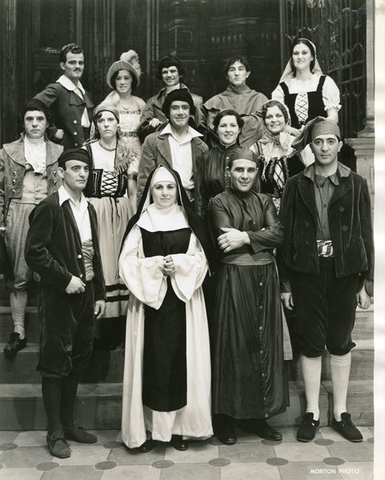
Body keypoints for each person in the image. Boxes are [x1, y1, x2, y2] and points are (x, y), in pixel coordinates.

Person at [279, 117, 374, 443]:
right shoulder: (296, 184)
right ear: (311, 145)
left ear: (339, 144)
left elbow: (366, 233)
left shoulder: (356, 183)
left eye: (330, 141)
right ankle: (312, 413)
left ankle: (340, 413)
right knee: (311, 341)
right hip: (307, 272)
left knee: (340, 341)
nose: (324, 148)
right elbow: (285, 235)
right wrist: (286, 284)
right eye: (318, 142)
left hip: (344, 273)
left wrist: (367, 282)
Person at [119, 164, 212, 452]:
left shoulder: (189, 220)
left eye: (170, 187)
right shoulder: (140, 223)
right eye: (158, 187)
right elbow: (126, 263)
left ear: (178, 190)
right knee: (152, 365)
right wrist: (156, 266)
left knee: (184, 365)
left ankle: (181, 429)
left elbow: (202, 259)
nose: (164, 192)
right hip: (149, 304)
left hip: (185, 302)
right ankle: (149, 429)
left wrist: (181, 265)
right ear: (150, 190)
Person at [25, 148, 105, 459]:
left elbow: (93, 252)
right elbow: (34, 253)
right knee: (55, 362)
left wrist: (98, 293)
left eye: (85, 168)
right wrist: (64, 279)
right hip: (59, 295)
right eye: (75, 168)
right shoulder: (50, 207)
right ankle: (55, 432)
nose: (82, 174)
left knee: (78, 358)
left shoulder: (90, 208)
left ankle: (70, 424)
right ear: (60, 172)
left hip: (85, 293)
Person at [207, 148, 291, 446]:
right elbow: (223, 241)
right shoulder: (217, 202)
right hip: (234, 279)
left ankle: (259, 416)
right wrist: (259, 237)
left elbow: (279, 234)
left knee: (263, 345)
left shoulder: (265, 200)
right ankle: (227, 419)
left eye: (250, 171)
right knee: (233, 345)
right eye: (239, 170)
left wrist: (244, 237)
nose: (244, 176)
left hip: (266, 279)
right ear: (229, 171)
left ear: (257, 173)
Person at [0, 100, 63, 357]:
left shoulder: (58, 151)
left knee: (49, 270)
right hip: (18, 210)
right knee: (20, 273)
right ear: (23, 123)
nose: (35, 124)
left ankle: (50, 333)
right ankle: (19, 331)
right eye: (30, 119)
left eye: (39, 119)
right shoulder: (7, 151)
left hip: (48, 213)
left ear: (47, 123)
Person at [83, 102, 137, 348]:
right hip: (96, 210)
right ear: (96, 124)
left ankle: (120, 327)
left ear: (118, 124)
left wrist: (135, 216)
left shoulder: (126, 152)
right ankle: (98, 329)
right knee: (101, 261)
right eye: (101, 120)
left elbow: (132, 190)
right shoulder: (87, 150)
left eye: (110, 120)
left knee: (120, 263)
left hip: (122, 211)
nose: (106, 125)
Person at [271, 38, 340, 165]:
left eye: (304, 53)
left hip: (318, 140)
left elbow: (333, 117)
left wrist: (312, 128)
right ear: (292, 57)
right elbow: (274, 118)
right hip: (291, 144)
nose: (300, 57)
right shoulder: (283, 88)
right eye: (296, 53)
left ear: (312, 57)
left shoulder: (324, 82)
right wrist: (290, 130)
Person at [137, 89, 208, 204]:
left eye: (185, 107)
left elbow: (202, 189)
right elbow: (144, 182)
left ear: (190, 112)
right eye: (175, 108)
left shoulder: (201, 147)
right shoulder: (152, 141)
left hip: (190, 205)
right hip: (160, 205)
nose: (180, 112)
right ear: (167, 112)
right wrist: (143, 213)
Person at [34, 43, 93, 149]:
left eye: (81, 63)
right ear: (62, 65)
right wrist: (52, 130)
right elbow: (34, 106)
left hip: (85, 147)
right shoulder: (57, 89)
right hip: (67, 150)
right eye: (72, 63)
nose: (77, 66)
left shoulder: (83, 91)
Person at [202, 57, 268, 149]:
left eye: (241, 69)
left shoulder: (260, 99)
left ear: (247, 74)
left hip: (253, 155)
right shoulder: (215, 102)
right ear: (226, 75)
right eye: (232, 70)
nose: (236, 73)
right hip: (223, 154)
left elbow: (262, 129)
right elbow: (212, 129)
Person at [252, 99, 305, 212]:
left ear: (286, 119)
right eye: (269, 117)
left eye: (278, 115)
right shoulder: (257, 148)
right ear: (264, 121)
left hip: (299, 206)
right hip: (269, 210)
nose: (274, 120)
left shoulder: (298, 144)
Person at [138, 54, 203, 141]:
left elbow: (202, 132)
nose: (169, 75)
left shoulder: (196, 100)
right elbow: (142, 131)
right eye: (165, 72)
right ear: (161, 75)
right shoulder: (153, 102)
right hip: (161, 148)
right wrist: (152, 124)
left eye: (172, 71)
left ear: (179, 73)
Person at [195, 109, 245, 220]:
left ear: (239, 129)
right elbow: (200, 197)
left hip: (242, 218)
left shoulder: (248, 156)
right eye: (223, 126)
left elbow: (256, 193)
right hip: (212, 218)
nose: (228, 130)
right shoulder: (205, 158)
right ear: (216, 130)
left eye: (233, 125)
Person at [102, 49, 146, 159]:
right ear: (114, 81)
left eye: (126, 78)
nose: (122, 82)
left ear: (132, 81)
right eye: (118, 78)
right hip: (113, 153)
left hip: (137, 154)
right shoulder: (109, 103)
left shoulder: (140, 103)